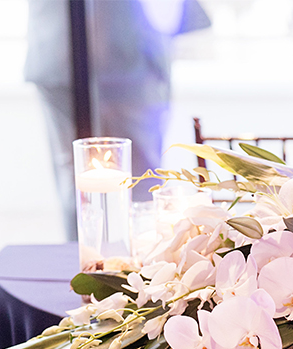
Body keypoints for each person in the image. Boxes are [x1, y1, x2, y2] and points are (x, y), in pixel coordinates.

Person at [25, 0, 210, 240]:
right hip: (118, 50)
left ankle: (115, 266)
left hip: (71, 47)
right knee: (113, 181)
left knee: (103, 180)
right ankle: (96, 266)